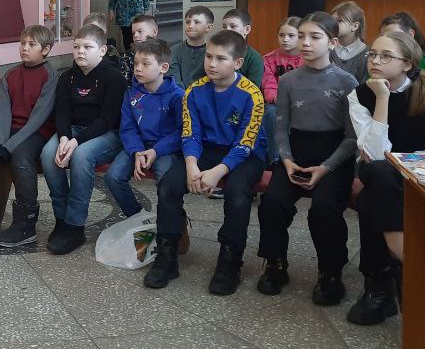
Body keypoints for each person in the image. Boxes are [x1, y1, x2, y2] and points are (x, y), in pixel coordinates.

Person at [346, 31, 425, 325]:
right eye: (373, 54)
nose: (375, 61)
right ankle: (403, 262)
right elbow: (374, 153)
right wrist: (382, 98)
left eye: (386, 56)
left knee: (372, 195)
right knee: (380, 174)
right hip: (380, 172)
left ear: (407, 64)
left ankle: (379, 285)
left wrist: (407, 162)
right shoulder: (360, 95)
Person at [148, 30, 267, 294]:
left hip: (245, 154)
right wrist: (191, 165)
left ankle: (230, 260)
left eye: (221, 59)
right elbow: (190, 133)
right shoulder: (194, 90)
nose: (212, 64)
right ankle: (167, 254)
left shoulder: (251, 94)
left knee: (237, 193)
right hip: (206, 149)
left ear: (237, 63)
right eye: (209, 56)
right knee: (168, 185)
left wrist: (217, 172)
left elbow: (245, 143)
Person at [255, 13, 358, 303]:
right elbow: (281, 127)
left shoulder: (346, 81)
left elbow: (352, 137)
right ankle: (276, 263)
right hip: (297, 151)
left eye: (315, 37)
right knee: (272, 203)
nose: (305, 42)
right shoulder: (289, 80)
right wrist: (287, 160)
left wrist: (326, 168)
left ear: (333, 42)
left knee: (324, 209)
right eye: (301, 36)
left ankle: (330, 270)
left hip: (334, 156)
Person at [0, 24, 58, 245]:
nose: (25, 48)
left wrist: (9, 146)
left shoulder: (51, 76)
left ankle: (25, 224)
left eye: (32, 44)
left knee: (21, 158)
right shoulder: (11, 74)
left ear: (45, 50)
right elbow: (2, 112)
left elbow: (39, 117)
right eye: (22, 43)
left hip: (35, 133)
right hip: (8, 131)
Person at [40, 24, 126, 256]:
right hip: (73, 131)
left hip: (107, 133)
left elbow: (108, 119)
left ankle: (75, 225)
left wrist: (76, 142)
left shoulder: (114, 77)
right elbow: (62, 113)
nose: (80, 52)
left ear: (102, 50)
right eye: (76, 47)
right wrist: (64, 138)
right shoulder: (67, 77)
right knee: (48, 155)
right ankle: (62, 218)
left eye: (87, 47)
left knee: (81, 156)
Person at [103, 38, 184, 222]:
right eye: (136, 63)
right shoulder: (131, 93)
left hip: (165, 149)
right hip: (138, 146)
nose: (138, 68)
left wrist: (156, 151)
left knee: (166, 179)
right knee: (113, 177)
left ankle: (173, 222)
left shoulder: (177, 96)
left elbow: (181, 132)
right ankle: (137, 217)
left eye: (145, 64)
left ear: (163, 68)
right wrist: (136, 151)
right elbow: (128, 128)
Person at [262, 17, 304, 166]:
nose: (285, 39)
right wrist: (281, 100)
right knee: (270, 113)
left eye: (291, 35)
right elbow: (269, 85)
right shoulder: (268, 59)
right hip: (277, 103)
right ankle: (274, 160)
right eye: (281, 35)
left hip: (301, 102)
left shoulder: (307, 58)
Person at [167, 5, 215, 88]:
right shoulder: (174, 51)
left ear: (208, 27)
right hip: (180, 95)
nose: (190, 26)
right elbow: (174, 80)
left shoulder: (214, 51)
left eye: (196, 22)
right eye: (188, 22)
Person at [220, 8, 264, 88]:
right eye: (224, 27)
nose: (227, 30)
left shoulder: (255, 58)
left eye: (233, 26)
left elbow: (253, 89)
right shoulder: (218, 52)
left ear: (247, 29)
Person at [330, 1, 368, 82]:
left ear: (355, 26)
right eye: (332, 20)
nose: (333, 24)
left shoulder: (367, 54)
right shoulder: (328, 49)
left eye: (339, 20)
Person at [84, 11, 128, 80]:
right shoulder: (82, 49)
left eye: (94, 30)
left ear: (104, 31)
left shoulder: (111, 51)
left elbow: (114, 73)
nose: (90, 33)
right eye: (87, 30)